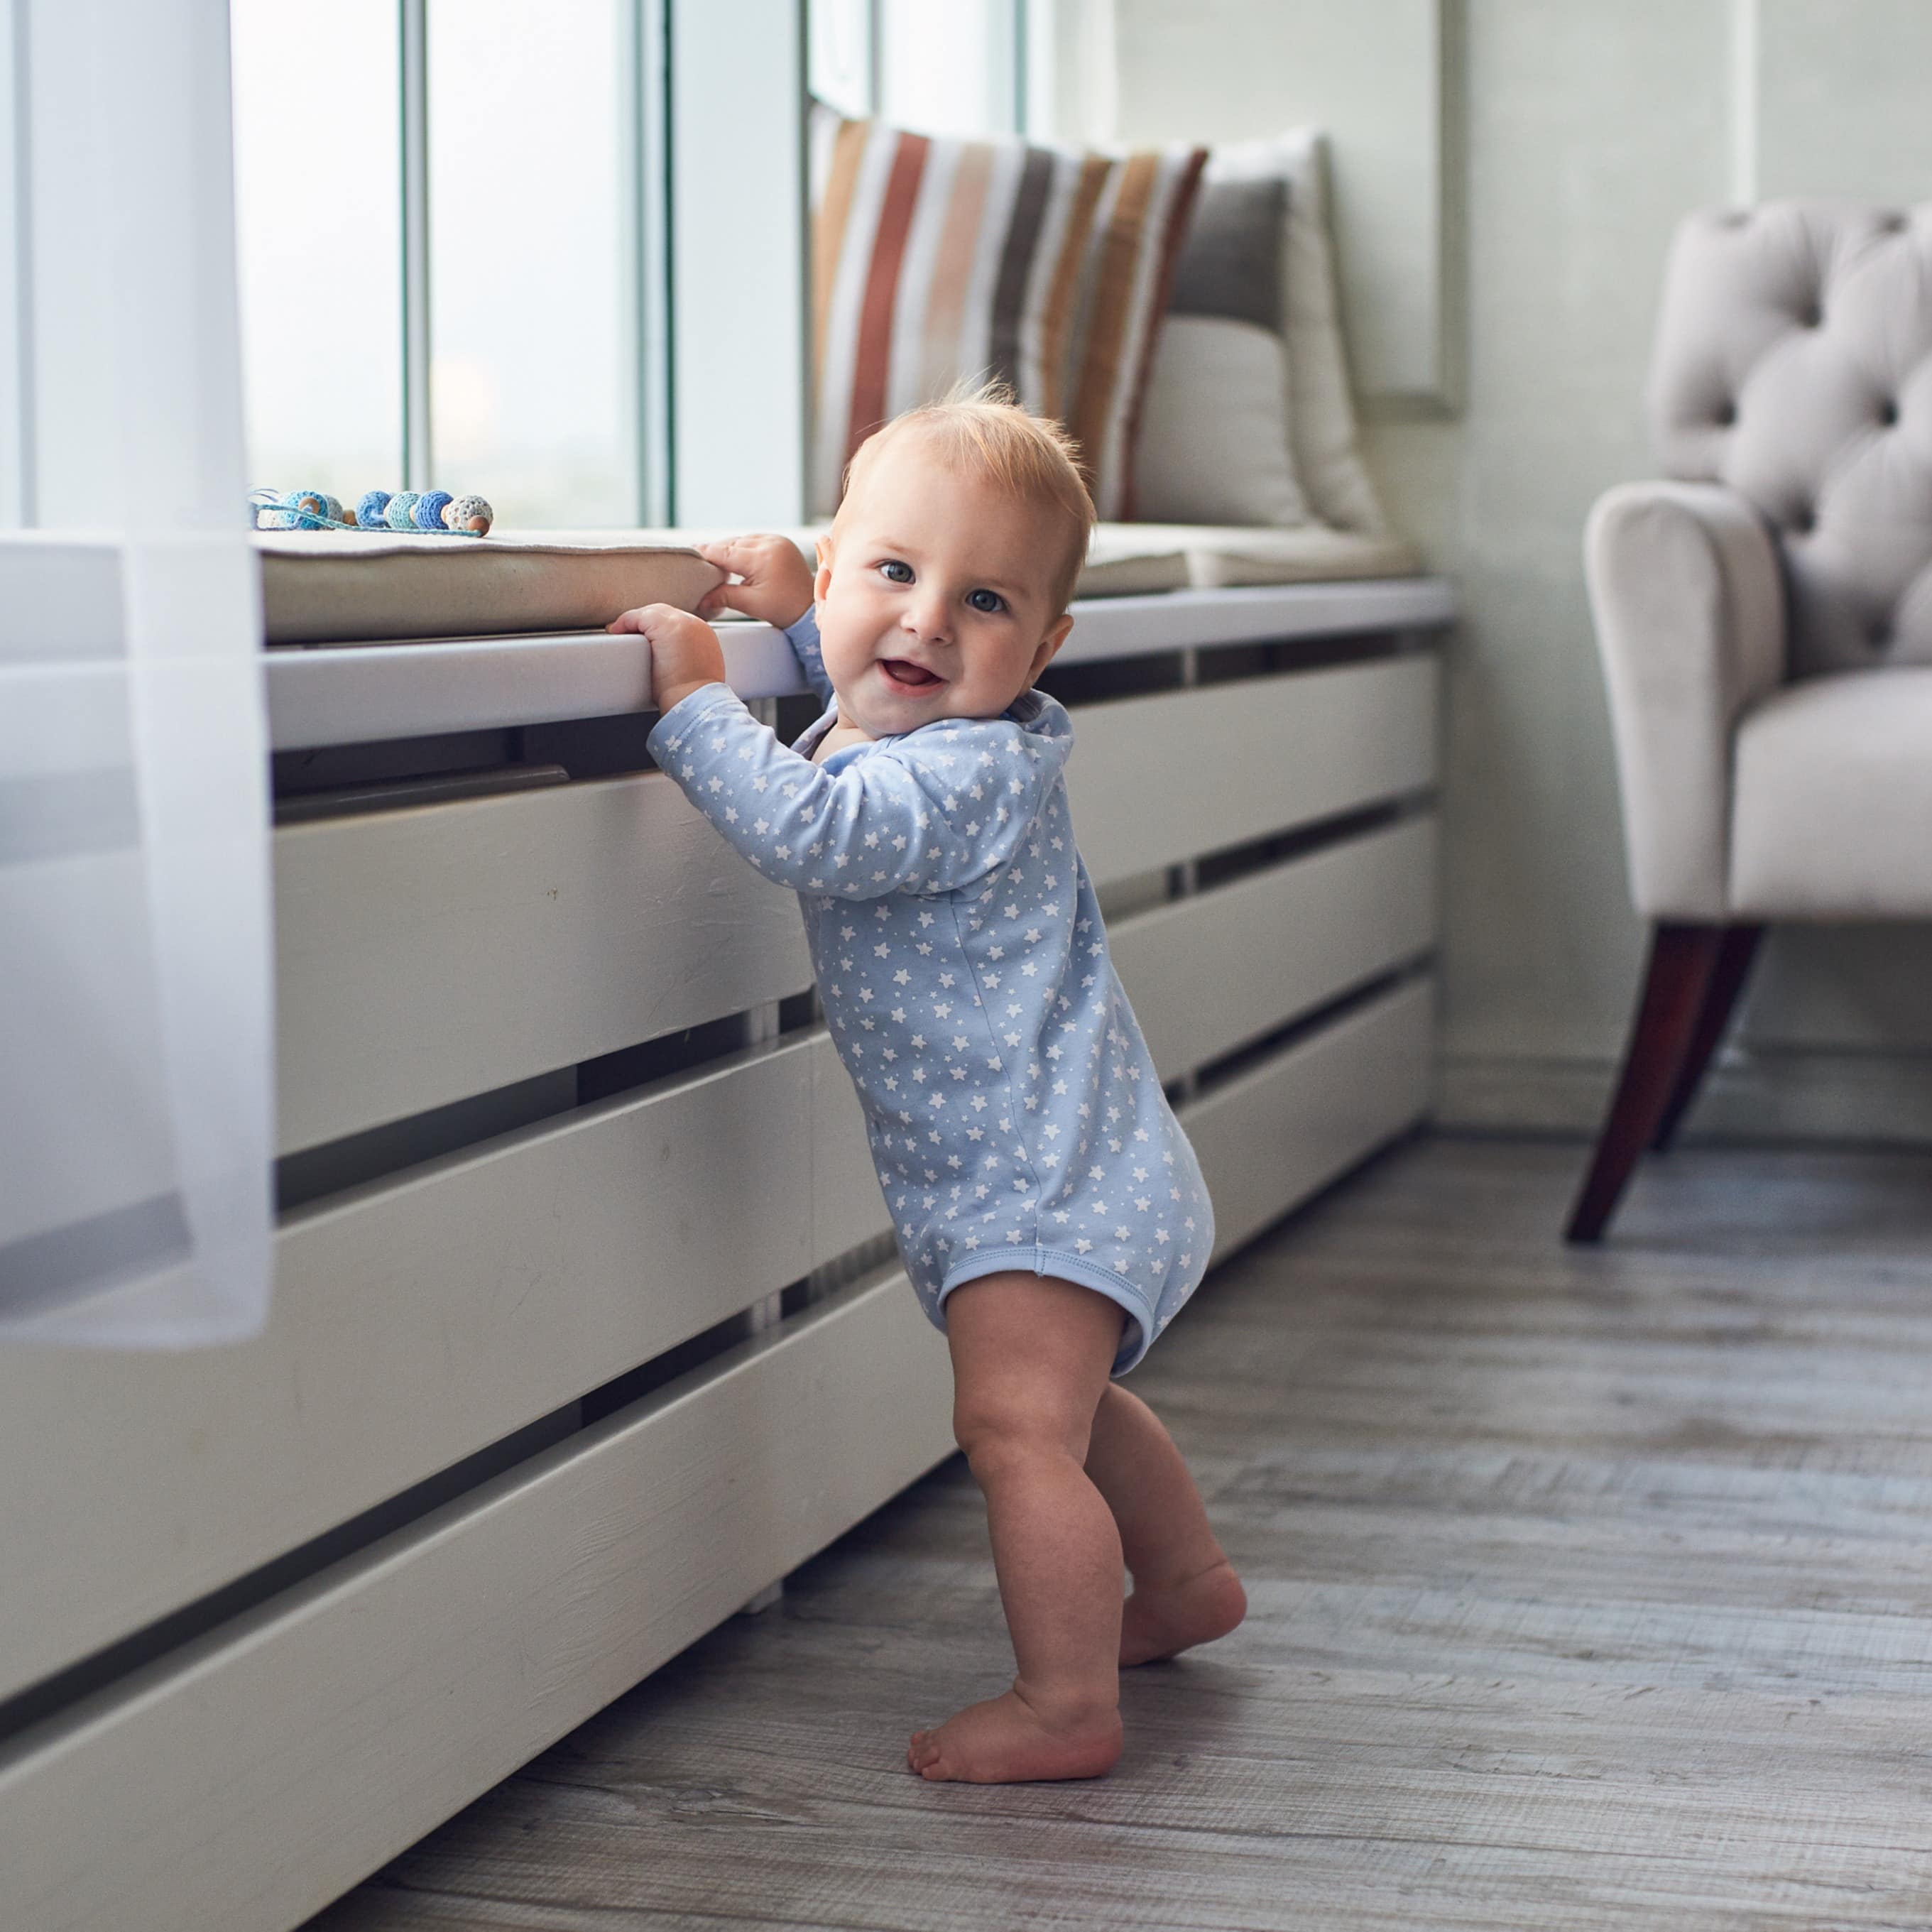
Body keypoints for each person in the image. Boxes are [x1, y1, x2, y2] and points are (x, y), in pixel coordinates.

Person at [611, 386, 1245, 1784]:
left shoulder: (966, 772)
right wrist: (788, 618)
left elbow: (813, 819)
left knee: (1013, 1431)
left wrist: (697, 699)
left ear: (1043, 645)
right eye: (892, 573)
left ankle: (1064, 1699)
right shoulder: (927, 718)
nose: (927, 623)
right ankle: (1184, 1580)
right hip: (1079, 1167)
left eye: (983, 601)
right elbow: (859, 689)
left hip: (1037, 1182)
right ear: (839, 571)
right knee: (1068, 1410)